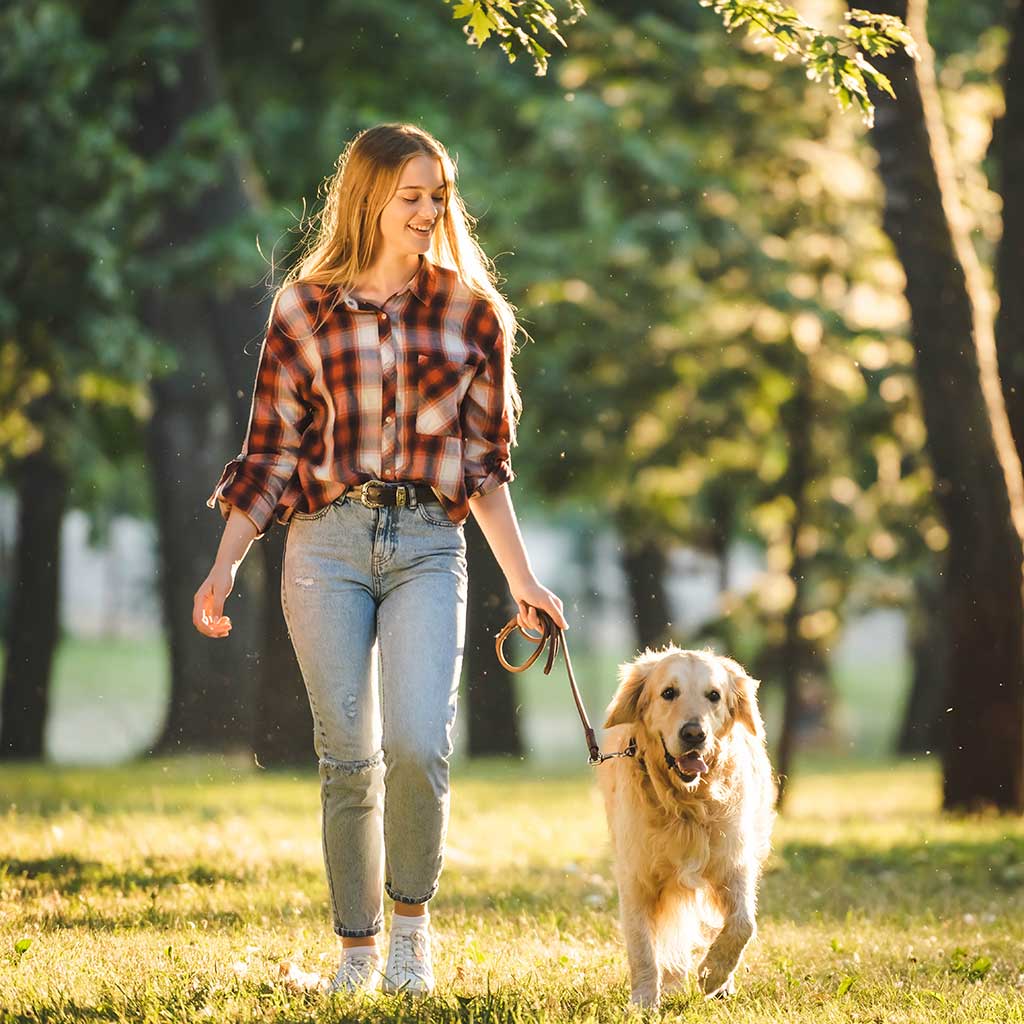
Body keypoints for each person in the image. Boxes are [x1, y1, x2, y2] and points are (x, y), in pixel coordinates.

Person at [191, 123, 567, 996]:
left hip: (430, 547)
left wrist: (524, 580)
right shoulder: (304, 306)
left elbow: (482, 470)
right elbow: (270, 454)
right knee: (348, 758)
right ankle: (357, 954)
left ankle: (409, 936)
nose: (431, 211)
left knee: (418, 745)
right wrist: (224, 565)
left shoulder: (473, 314)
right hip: (324, 547)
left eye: (439, 194)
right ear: (368, 199)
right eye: (412, 196)